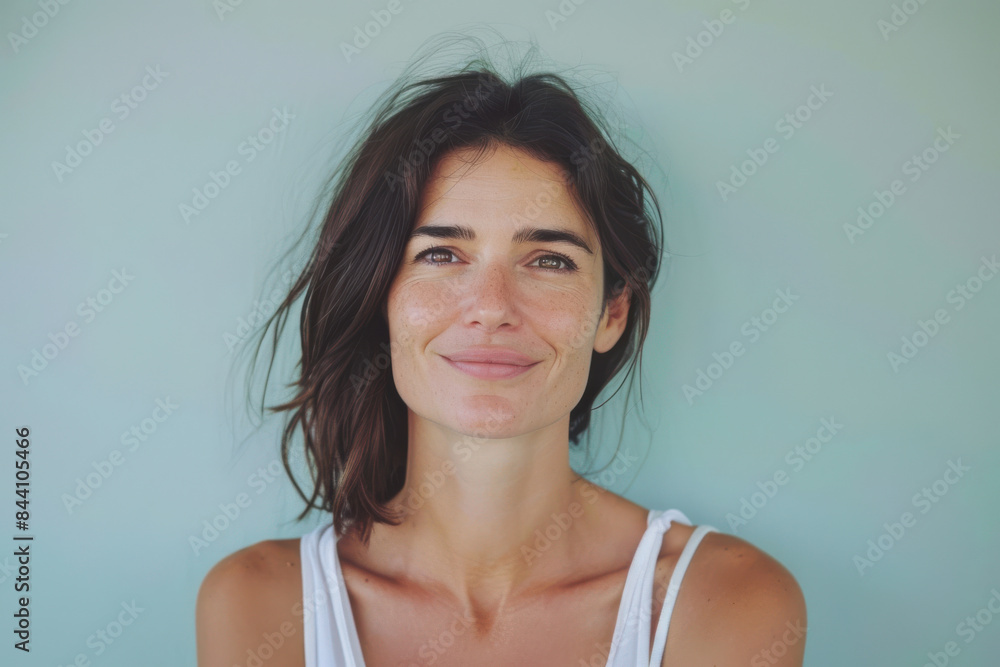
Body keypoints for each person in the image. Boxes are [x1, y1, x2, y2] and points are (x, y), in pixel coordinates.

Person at [196, 34, 806, 667]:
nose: (491, 305)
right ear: (381, 298)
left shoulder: (725, 601)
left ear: (612, 312)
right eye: (440, 254)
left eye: (548, 260)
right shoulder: (259, 606)